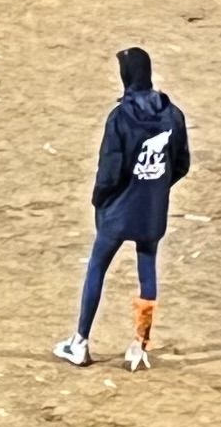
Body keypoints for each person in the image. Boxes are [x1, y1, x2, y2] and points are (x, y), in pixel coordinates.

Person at [55, 47, 189, 372]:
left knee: (97, 268)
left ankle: (80, 342)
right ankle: (140, 345)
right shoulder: (172, 115)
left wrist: (101, 200)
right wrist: (156, 189)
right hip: (151, 211)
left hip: (118, 210)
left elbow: (110, 171)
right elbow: (182, 164)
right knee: (147, 271)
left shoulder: (120, 118)